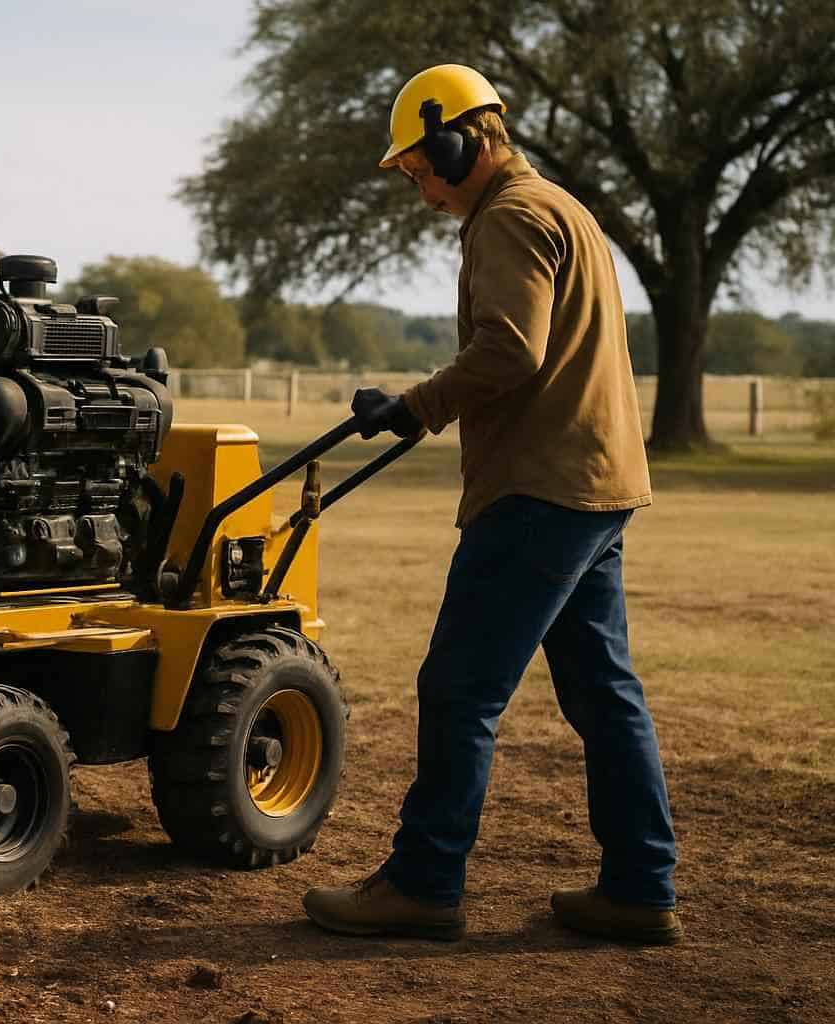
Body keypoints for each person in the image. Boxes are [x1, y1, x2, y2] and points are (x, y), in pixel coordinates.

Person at [301, 64, 680, 945]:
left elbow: (511, 350)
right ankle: (639, 885)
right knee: (602, 692)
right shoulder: (563, 207)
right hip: (596, 486)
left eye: (418, 169)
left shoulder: (506, 217)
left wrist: (413, 406)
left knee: (459, 686)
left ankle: (425, 883)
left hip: (538, 491)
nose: (419, 188)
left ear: (457, 140)